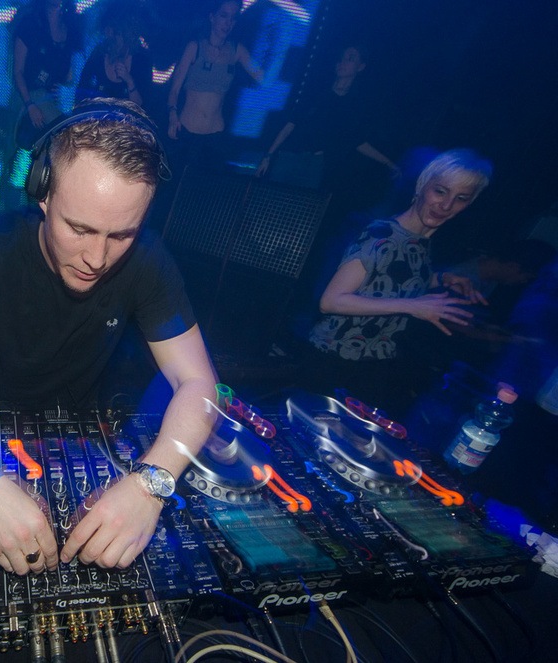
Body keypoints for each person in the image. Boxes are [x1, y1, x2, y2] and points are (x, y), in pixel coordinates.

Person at [0, 98, 218, 576]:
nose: (97, 258)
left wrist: (152, 484)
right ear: (42, 191)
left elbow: (199, 383)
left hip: (79, 436)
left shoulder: (149, 262)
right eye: (79, 228)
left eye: (121, 235)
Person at [304, 149, 493, 413]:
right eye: (440, 191)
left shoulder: (419, 240)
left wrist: (440, 278)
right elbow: (331, 301)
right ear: (422, 186)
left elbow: (391, 278)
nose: (446, 205)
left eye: (461, 198)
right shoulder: (381, 235)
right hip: (333, 359)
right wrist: (412, 306)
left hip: (375, 360)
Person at [254, 44, 399, 188]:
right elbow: (290, 124)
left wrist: (388, 163)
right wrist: (268, 156)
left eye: (350, 58)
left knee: (300, 202)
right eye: (341, 58)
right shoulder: (317, 91)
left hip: (314, 165)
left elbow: (356, 140)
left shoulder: (353, 105)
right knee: (272, 197)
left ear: (360, 67)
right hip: (289, 156)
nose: (343, 62)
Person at [0, 0, 82, 208]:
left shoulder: (69, 28)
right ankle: (7, 209)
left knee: (43, 154)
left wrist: (63, 80)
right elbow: (18, 71)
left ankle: (34, 206)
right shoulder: (30, 23)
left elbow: (67, 76)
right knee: (16, 152)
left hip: (48, 98)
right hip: (24, 97)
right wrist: (29, 105)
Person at [165, 0, 262, 170]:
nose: (228, 23)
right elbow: (174, 90)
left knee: (210, 186)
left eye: (233, 18)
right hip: (187, 133)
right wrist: (173, 115)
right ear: (212, 17)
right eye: (224, 16)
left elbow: (262, 77)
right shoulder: (194, 47)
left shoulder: (237, 50)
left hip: (215, 137)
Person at [74, 2, 152, 110]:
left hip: (127, 119)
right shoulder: (99, 55)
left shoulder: (141, 61)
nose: (111, 39)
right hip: (98, 117)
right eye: (107, 33)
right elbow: (81, 92)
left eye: (116, 34)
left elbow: (141, 107)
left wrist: (129, 81)